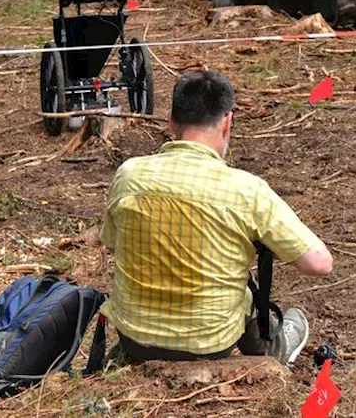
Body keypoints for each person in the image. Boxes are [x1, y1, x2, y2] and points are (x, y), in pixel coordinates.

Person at [101, 70, 334, 365]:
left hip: (134, 339)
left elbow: (112, 242)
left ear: (171, 121)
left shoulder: (128, 175)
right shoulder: (246, 190)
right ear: (228, 122)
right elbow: (320, 264)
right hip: (208, 344)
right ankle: (276, 351)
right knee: (245, 295)